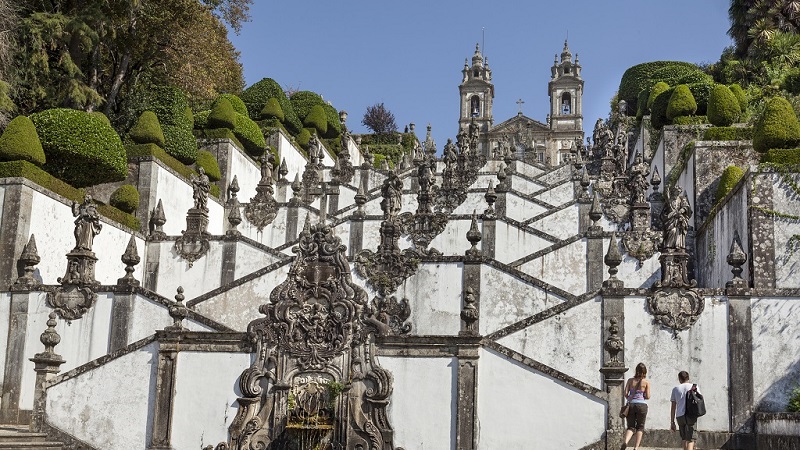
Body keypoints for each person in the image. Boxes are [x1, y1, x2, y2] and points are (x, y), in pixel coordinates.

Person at [622, 362, 651, 450]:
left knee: (630, 427)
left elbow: (625, 394)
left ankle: (625, 442)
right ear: (644, 371)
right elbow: (648, 396)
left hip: (631, 405)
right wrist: (643, 395)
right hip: (642, 405)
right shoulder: (646, 382)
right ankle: (636, 447)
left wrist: (631, 397)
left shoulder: (630, 380)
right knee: (640, 427)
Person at [671, 370, 700, 450]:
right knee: (691, 439)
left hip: (680, 415)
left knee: (684, 438)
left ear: (679, 379)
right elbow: (699, 401)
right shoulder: (694, 387)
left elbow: (673, 406)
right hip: (691, 415)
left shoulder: (675, 389)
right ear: (688, 378)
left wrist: (672, 422)